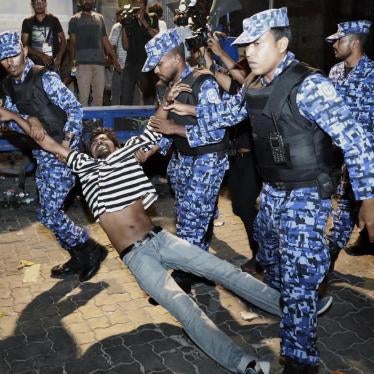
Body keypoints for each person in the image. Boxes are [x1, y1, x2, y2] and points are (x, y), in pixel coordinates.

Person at [170, 8, 374, 372]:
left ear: (281, 43)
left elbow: (356, 142)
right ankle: (301, 290)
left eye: (257, 44)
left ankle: (299, 358)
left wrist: (368, 200)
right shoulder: (254, 83)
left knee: (297, 279)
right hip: (274, 192)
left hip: (308, 193)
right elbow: (228, 115)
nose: (248, 52)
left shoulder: (310, 85)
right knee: (270, 260)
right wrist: (183, 114)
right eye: (246, 44)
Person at [0, 111, 282, 374]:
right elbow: (47, 143)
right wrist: (14, 116)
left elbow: (152, 127)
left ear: (115, 144)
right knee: (185, 309)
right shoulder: (83, 166)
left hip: (162, 239)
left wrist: (166, 103)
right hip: (137, 257)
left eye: (104, 139)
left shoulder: (127, 155)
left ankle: (290, 308)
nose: (99, 142)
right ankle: (244, 364)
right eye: (95, 141)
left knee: (225, 271)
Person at [0, 31, 107, 282]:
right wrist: (27, 119)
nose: (10, 62)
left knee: (48, 213)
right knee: (48, 213)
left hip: (63, 152)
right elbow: (19, 124)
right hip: (42, 154)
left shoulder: (44, 77)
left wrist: (68, 145)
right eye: (3, 58)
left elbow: (74, 109)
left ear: (24, 50)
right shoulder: (7, 85)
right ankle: (79, 256)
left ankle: (91, 249)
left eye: (14, 54)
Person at [140, 29, 229, 289]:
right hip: (182, 161)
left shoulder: (204, 82)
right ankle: (200, 270)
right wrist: (153, 149)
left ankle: (180, 283)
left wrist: (174, 130)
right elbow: (162, 128)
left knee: (190, 227)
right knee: (188, 220)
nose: (156, 70)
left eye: (159, 63)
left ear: (176, 58)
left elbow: (217, 130)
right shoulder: (169, 88)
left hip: (207, 160)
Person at [325, 20, 374, 264]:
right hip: (335, 155)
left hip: (363, 159)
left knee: (346, 209)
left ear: (354, 43)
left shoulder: (372, 75)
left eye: (339, 40)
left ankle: (326, 263)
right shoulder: (334, 72)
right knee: (344, 206)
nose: (333, 44)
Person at [68, 0, 119, 106]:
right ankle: (84, 122)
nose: (87, 1)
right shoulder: (74, 19)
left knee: (99, 98)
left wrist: (115, 59)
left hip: (99, 63)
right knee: (84, 97)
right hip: (82, 63)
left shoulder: (100, 18)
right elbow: (72, 42)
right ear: (80, 2)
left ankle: (97, 122)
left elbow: (105, 40)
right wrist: (72, 62)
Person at [120, 0, 159, 105]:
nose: (138, 5)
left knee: (149, 99)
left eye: (140, 2)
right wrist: (124, 26)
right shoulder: (129, 19)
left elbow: (157, 37)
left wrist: (143, 21)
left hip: (147, 63)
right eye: (135, 2)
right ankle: (125, 121)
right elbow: (125, 46)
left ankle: (149, 120)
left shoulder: (152, 17)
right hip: (131, 63)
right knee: (126, 98)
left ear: (145, 4)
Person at [21, 0, 66, 72]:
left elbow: (63, 40)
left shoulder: (54, 20)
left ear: (45, 4)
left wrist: (59, 57)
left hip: (53, 64)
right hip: (34, 65)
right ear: (32, 5)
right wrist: (41, 55)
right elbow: (24, 45)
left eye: (41, 2)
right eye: (36, 3)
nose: (39, 5)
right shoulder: (27, 22)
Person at [108, 9, 128, 105]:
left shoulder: (135, 24)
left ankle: (133, 118)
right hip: (120, 65)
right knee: (116, 92)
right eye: (119, 16)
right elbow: (111, 46)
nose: (121, 18)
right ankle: (115, 117)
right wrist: (115, 62)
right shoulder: (117, 27)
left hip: (132, 65)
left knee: (132, 94)